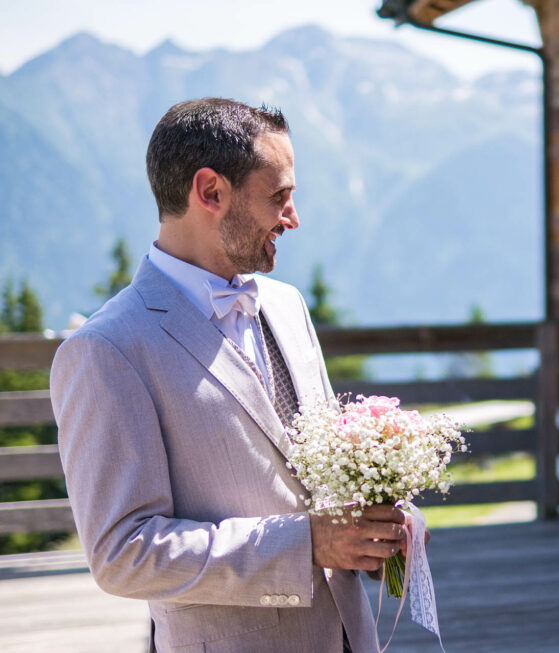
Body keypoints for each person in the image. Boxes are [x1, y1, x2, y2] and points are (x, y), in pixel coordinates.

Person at [50, 98, 408, 653]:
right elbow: (122, 555)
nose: (293, 218)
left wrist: (381, 515)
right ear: (211, 192)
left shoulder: (287, 305)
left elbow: (320, 472)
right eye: (279, 196)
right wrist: (304, 544)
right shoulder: (106, 349)